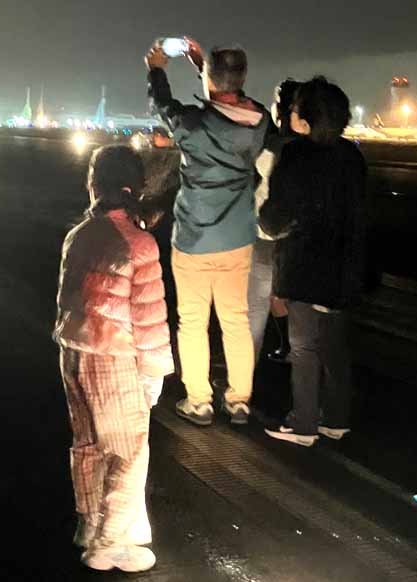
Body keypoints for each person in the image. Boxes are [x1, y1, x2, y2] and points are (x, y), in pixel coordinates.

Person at [54, 145, 174, 573]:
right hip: (114, 358)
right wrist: (155, 372)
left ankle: (88, 524)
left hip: (73, 353)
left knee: (87, 445)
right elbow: (149, 315)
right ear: (134, 190)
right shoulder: (138, 244)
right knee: (128, 451)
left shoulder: (78, 234)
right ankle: (109, 544)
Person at [146, 38, 270, 427]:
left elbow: (164, 108)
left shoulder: (195, 125)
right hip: (238, 237)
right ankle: (239, 400)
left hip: (194, 239)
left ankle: (198, 400)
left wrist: (157, 68)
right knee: (235, 319)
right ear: (242, 79)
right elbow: (232, 100)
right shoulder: (260, 120)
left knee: (193, 321)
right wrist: (205, 67)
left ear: (209, 81)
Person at [259, 77, 367, 446]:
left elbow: (276, 214)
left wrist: (269, 224)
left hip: (305, 262)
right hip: (344, 263)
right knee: (335, 345)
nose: (290, 112)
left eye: (294, 109)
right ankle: (337, 418)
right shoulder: (352, 155)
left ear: (306, 118)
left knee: (303, 346)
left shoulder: (295, 155)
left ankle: (303, 422)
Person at [249, 79, 301, 367]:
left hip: (265, 236)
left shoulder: (271, 146)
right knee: (286, 298)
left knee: (256, 305)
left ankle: (243, 380)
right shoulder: (313, 149)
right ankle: (294, 353)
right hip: (298, 236)